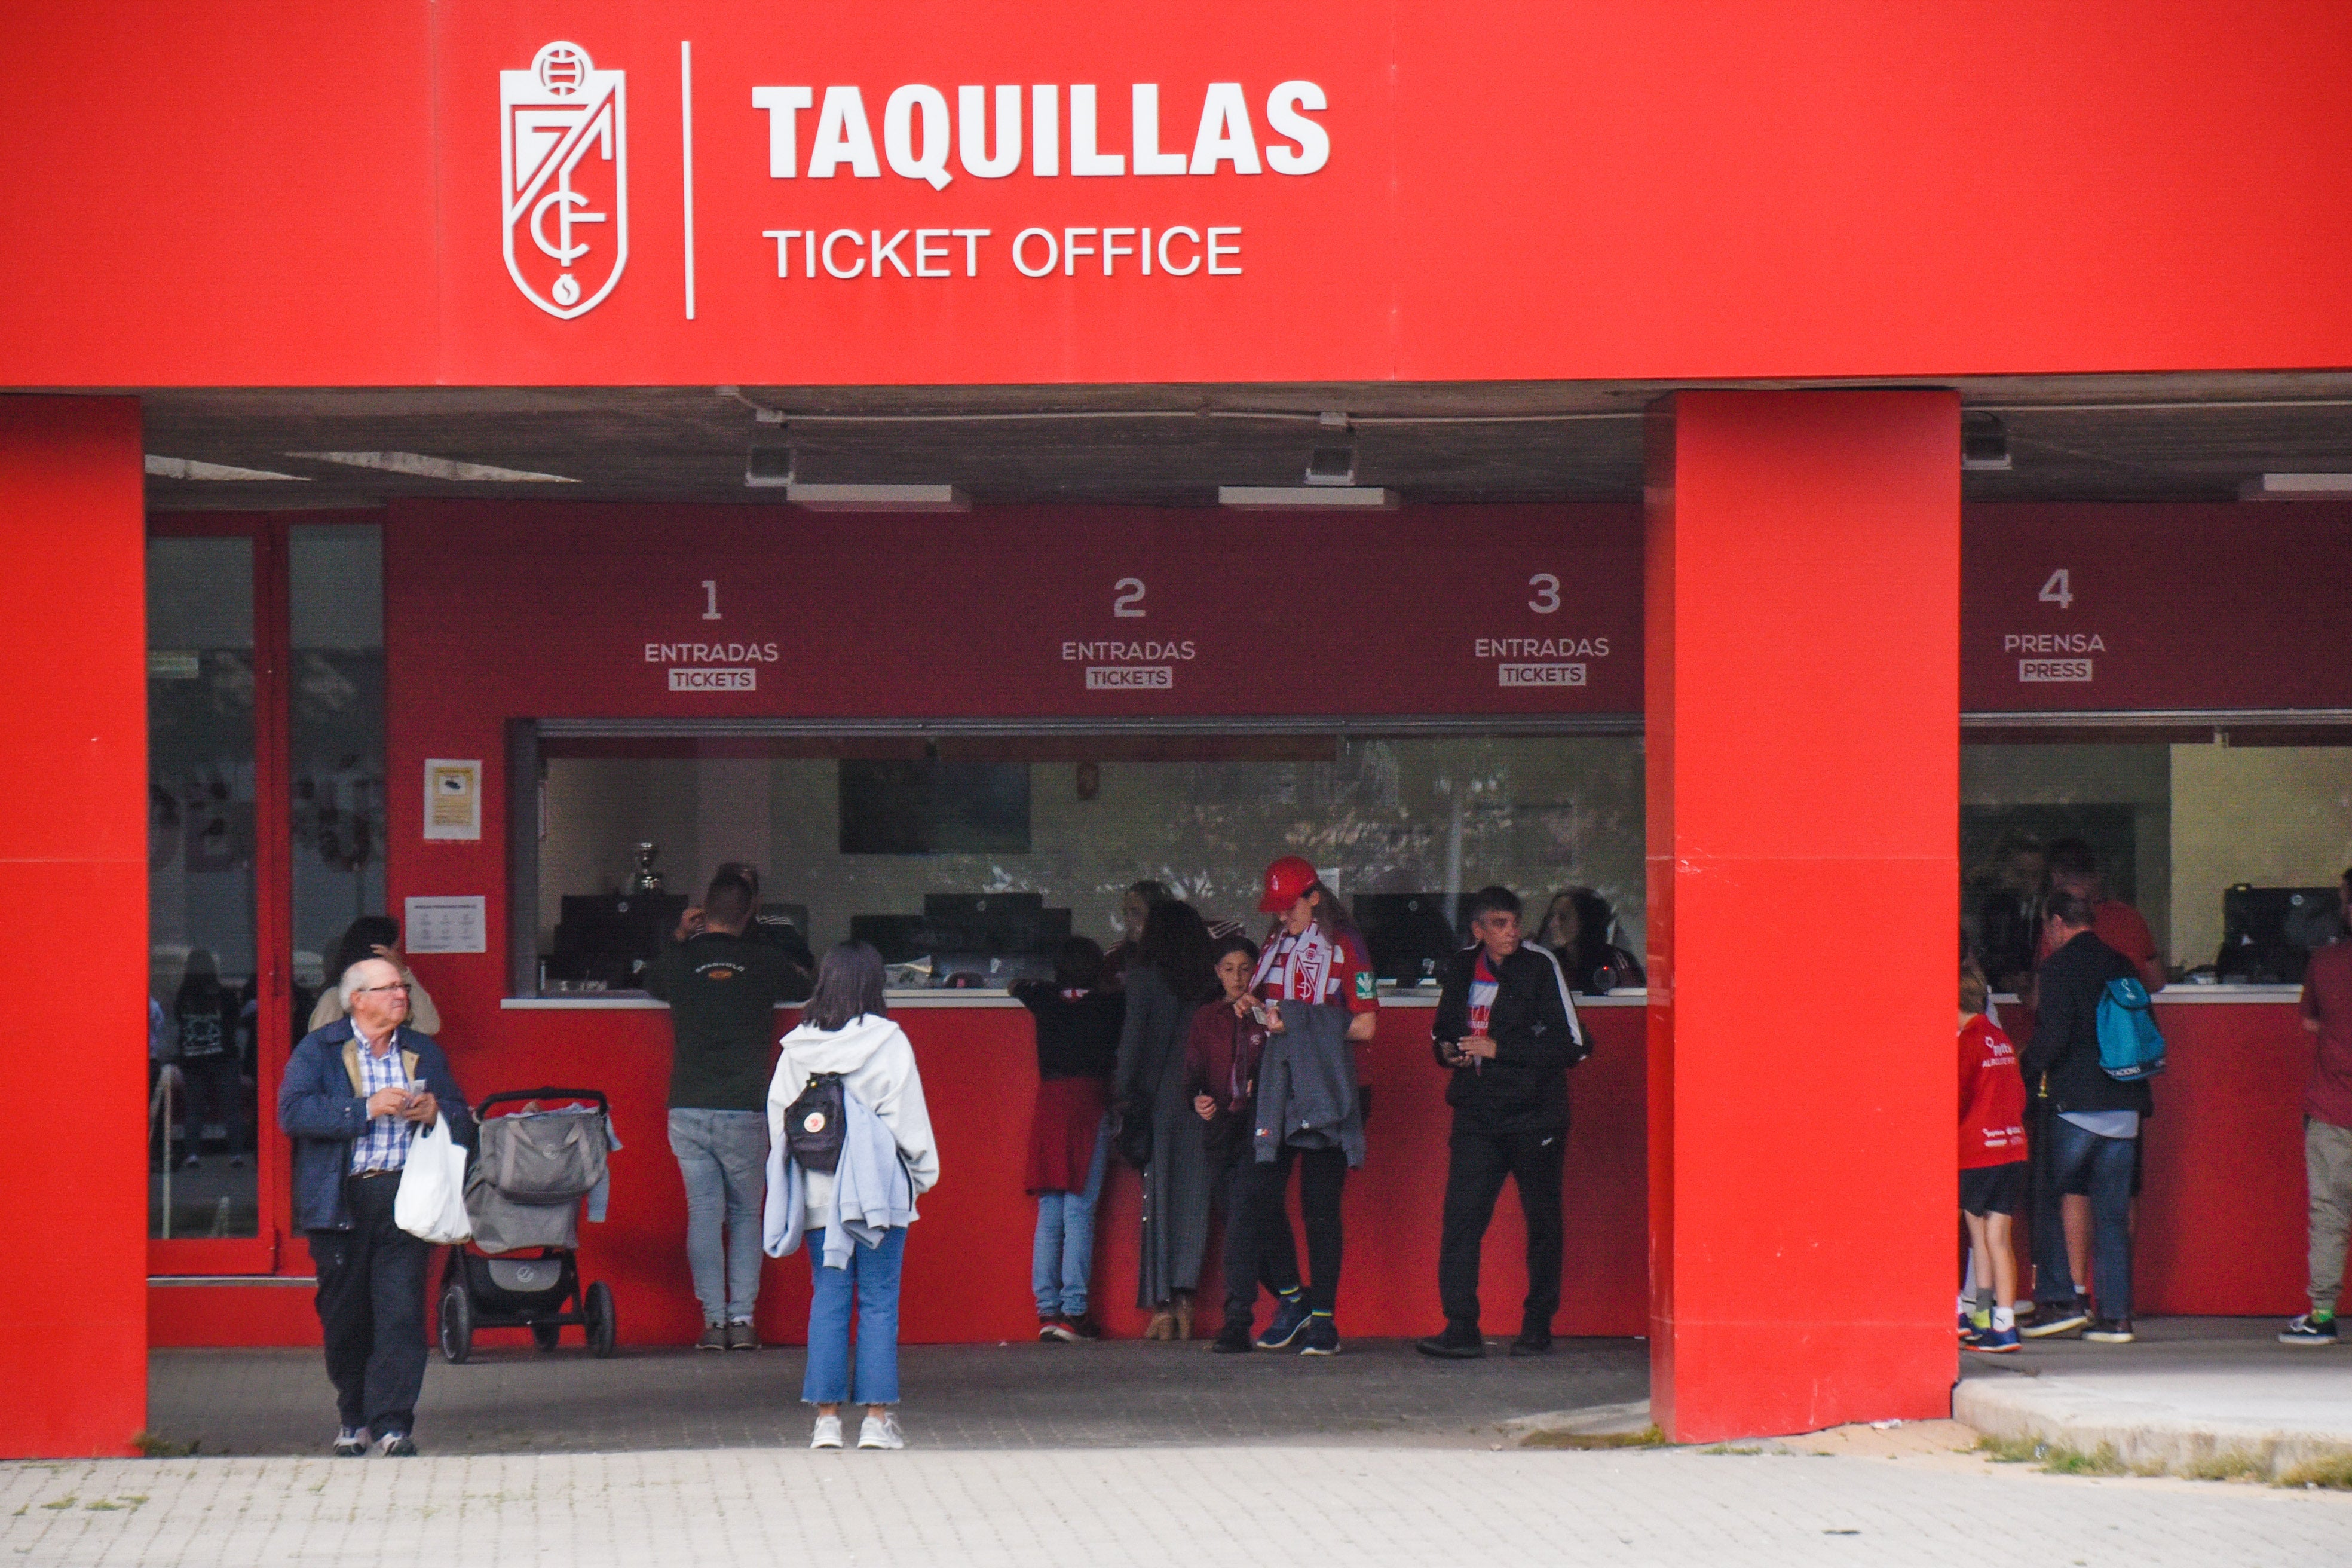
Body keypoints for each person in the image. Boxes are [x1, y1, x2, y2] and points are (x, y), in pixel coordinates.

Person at [278, 956, 473, 1457]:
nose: (401, 996)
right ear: (357, 1000)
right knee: (346, 1316)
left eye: (401, 987)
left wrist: (438, 1112)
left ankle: (393, 1424)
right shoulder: (319, 1049)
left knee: (401, 1313)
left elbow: (463, 1115)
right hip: (342, 1199)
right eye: (388, 988)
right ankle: (353, 1416)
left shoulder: (422, 1050)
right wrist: (363, 1108)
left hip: (406, 1197)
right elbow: (293, 1111)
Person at [764, 942, 939, 1451]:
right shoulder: (891, 1044)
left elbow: (782, 1124)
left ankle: (825, 1421)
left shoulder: (797, 1049)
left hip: (820, 1198)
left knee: (830, 1299)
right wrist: (920, 1178)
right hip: (880, 1198)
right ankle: (877, 1422)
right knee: (880, 1302)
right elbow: (909, 1124)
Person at [644, 869, 814, 1350]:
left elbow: (649, 979)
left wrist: (680, 938)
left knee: (704, 1214)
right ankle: (742, 1322)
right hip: (744, 1106)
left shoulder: (680, 961)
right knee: (744, 1216)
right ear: (751, 913)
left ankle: (712, 1324)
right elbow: (806, 987)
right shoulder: (764, 961)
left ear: (703, 911)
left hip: (689, 1106)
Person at [1417, 886, 1585, 1359]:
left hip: (1536, 1116)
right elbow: (1443, 1030)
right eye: (1498, 924)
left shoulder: (1540, 965)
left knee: (1543, 1222)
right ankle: (1461, 1326)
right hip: (1476, 1113)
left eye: (1514, 922)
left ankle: (1537, 1327)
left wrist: (1500, 1050)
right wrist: (1447, 1051)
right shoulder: (1461, 967)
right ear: (1478, 930)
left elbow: (1574, 1044)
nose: (1511, 932)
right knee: (1461, 1220)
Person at [1244, 856, 1377, 1356]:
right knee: (1259, 1195)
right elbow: (1264, 1004)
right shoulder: (1274, 945)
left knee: (1320, 1208)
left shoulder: (1346, 943)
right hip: (1280, 1089)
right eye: (1275, 909)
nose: (1283, 917)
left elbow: (1366, 1025)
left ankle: (1324, 1318)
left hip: (1332, 1088)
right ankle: (1293, 1300)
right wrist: (1248, 1004)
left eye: (1289, 906)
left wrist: (1297, 1020)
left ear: (1314, 896)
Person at [2030, 838, 2164, 1325]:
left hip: (2077, 1106)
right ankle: (2117, 1317)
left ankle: (2063, 1299)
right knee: (2112, 1212)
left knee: (2050, 1193)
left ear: (2058, 924)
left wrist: (2026, 1071)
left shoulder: (2060, 966)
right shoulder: (2121, 965)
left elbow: (2055, 1035)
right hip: (2125, 1104)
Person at [1113, 899, 1219, 1339]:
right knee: (1196, 1197)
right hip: (1202, 1098)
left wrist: (1123, 1095)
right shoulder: (1209, 983)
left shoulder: (1143, 979)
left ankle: (1162, 1309)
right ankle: (1187, 1300)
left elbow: (1134, 1044)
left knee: (1157, 1202)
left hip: (1159, 1101)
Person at [1012, 936, 1125, 1342]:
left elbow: (1019, 986)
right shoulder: (1113, 1005)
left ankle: (1047, 1310)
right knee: (1079, 1210)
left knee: (1050, 1209)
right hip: (1088, 1103)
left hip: (1050, 1104)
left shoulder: (1043, 1000)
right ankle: (1075, 1312)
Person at [1189, 935, 1274, 1353]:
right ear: (1216, 973)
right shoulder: (1206, 1018)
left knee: (1241, 1220)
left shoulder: (1268, 1013)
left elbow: (1283, 1061)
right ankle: (1299, 1298)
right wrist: (1198, 1099)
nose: (1238, 978)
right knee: (1241, 1224)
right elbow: (1193, 1074)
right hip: (1220, 1128)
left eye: (1245, 969)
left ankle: (1238, 1319)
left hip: (1258, 1129)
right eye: (1228, 969)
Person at [2283, 868, 2352, 1346]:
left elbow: (2309, 1023)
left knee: (2329, 1213)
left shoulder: (2326, 962)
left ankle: (2322, 1315)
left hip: (2334, 1108)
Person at [1958, 956, 2029, 1354]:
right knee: (2000, 1239)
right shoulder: (2000, 1039)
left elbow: (1957, 1099)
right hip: (2013, 1148)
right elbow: (2016, 1095)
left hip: (1977, 1152)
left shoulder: (1966, 1043)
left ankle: (1980, 1317)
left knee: (1976, 1234)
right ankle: (2005, 1325)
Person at [309, 915, 443, 1036]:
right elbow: (319, 1048)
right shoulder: (334, 999)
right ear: (378, 952)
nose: (398, 957)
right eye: (396, 950)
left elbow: (430, 1026)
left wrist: (404, 973)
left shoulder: (396, 995)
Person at [173, 950, 241, 1168]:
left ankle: (192, 1154)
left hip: (193, 1060)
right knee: (231, 1107)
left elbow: (179, 1022)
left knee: (193, 1109)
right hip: (223, 1057)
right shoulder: (225, 996)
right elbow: (233, 1022)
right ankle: (236, 1154)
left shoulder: (183, 996)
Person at [1535, 887, 1645, 995]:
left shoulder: (1616, 960)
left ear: (1586, 921)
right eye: (1551, 917)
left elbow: (1632, 1001)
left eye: (1563, 917)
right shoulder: (1551, 962)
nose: (1552, 924)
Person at [1100, 879, 1174, 991]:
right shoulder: (1115, 958)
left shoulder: (1183, 957)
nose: (1128, 920)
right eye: (1126, 913)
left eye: (1136, 913)